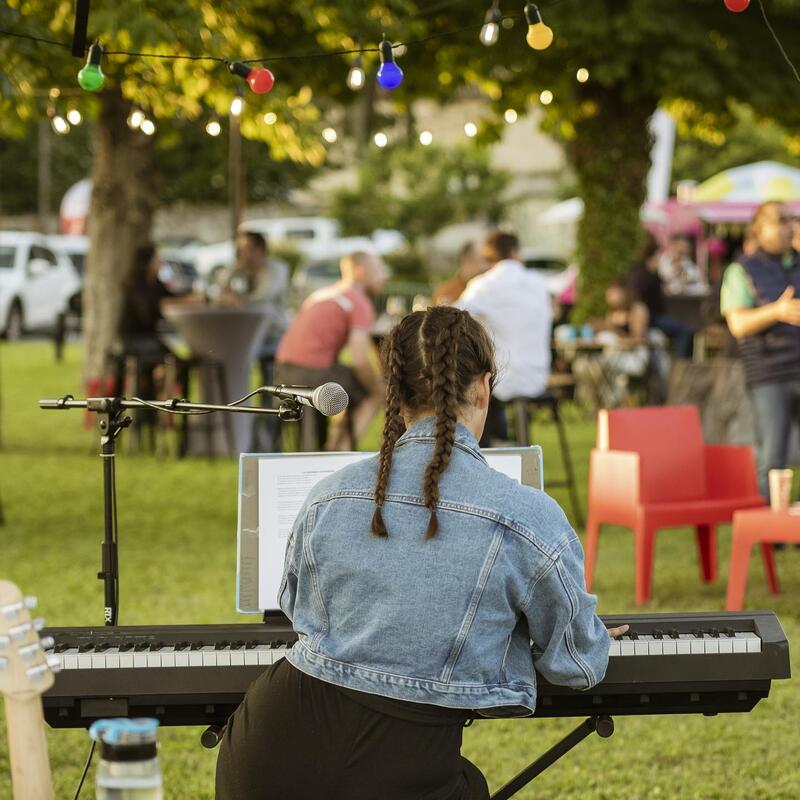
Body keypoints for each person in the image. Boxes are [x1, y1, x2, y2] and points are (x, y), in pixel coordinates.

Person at [216, 305, 626, 800]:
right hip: (395, 763)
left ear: (397, 394)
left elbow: (298, 610)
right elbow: (576, 666)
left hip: (267, 747)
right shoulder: (527, 515)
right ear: (483, 386)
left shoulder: (328, 495)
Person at [721, 201, 800, 501]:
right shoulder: (742, 270)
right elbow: (738, 323)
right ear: (759, 229)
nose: (788, 225)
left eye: (790, 219)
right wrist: (776, 311)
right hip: (770, 374)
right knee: (772, 456)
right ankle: (772, 536)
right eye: (780, 220)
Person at [275, 251, 387, 450]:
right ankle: (340, 454)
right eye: (378, 269)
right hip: (313, 373)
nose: (384, 276)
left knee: (350, 385)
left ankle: (332, 447)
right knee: (374, 392)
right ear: (360, 272)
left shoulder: (322, 293)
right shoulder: (359, 302)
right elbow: (360, 360)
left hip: (283, 370)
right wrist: (378, 389)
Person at [456, 230, 551, 445]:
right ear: (516, 252)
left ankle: (486, 446)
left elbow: (454, 318)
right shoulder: (539, 283)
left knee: (472, 380)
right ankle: (501, 440)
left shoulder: (484, 285)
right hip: (539, 375)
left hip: (500, 382)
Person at [629, 234, 694, 359]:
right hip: (651, 319)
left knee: (681, 328)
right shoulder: (645, 276)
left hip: (652, 317)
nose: (660, 259)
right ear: (652, 257)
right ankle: (681, 365)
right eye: (658, 256)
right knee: (684, 331)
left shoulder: (642, 273)